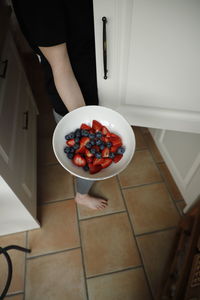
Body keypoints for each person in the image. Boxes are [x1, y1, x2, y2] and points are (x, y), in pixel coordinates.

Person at [12, 0, 108, 210]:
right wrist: (88, 130)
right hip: (74, 97)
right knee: (91, 158)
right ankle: (81, 195)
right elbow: (61, 68)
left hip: (98, 78)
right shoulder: (39, 6)